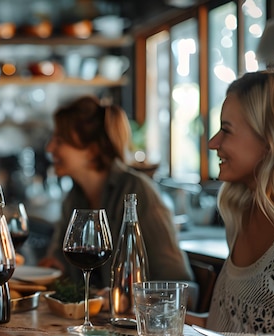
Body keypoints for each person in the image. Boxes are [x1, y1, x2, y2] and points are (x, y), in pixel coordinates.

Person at [39, 95, 193, 290]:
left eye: (59, 140)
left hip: (134, 319)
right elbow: (59, 266)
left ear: (92, 150)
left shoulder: (137, 192)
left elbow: (180, 285)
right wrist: (54, 270)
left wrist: (128, 301)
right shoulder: (74, 196)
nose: (49, 148)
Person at [202, 69, 274, 334]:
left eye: (226, 130)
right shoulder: (240, 211)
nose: (212, 142)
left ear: (269, 140)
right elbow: (225, 329)